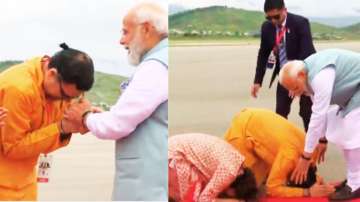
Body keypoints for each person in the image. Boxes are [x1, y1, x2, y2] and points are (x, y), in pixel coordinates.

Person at [64, 2, 168, 201]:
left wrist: (84, 116)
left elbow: (117, 125)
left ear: (146, 29)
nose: (121, 40)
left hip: (146, 188)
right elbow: (139, 118)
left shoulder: (155, 67)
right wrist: (100, 117)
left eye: (125, 32)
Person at [0, 43, 94, 200]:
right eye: (64, 95)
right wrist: (62, 128)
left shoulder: (56, 85)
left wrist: (85, 117)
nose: (66, 102)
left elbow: (66, 115)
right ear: (51, 74)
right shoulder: (19, 89)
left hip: (25, 180)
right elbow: (13, 148)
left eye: (73, 98)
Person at [278, 48, 360, 200]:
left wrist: (306, 157)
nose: (295, 94)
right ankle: (354, 179)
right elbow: (318, 108)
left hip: (357, 91)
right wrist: (322, 139)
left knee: (351, 135)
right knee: (343, 134)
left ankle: (355, 185)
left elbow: (318, 115)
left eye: (295, 88)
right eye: (291, 91)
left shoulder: (320, 76)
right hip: (351, 93)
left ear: (301, 75)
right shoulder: (305, 73)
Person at [224, 108, 335, 198]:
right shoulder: (288, 158)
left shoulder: (310, 154)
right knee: (241, 185)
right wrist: (307, 192)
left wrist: (319, 181)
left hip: (258, 120)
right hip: (242, 129)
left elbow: (307, 173)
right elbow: (271, 188)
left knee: (259, 179)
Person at [250, 0, 314, 131]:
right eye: (269, 17)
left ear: (285, 10)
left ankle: (312, 147)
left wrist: (296, 78)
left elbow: (307, 52)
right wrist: (257, 81)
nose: (273, 21)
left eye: (276, 17)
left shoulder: (300, 23)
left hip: (305, 73)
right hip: (284, 75)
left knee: (307, 113)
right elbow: (263, 54)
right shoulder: (267, 27)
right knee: (280, 112)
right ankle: (281, 143)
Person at [168, 133, 258, 202]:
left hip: (174, 150)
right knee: (184, 197)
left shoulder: (236, 160)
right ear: (233, 191)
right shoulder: (229, 172)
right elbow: (204, 198)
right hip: (175, 156)